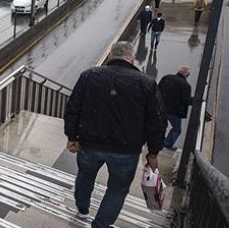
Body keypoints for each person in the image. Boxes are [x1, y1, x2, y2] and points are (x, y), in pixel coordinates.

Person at [64, 42, 166, 227]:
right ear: (132, 57)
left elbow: (73, 108)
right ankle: (101, 225)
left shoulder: (89, 76)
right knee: (117, 190)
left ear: (110, 56)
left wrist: (72, 137)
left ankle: (82, 209)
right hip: (126, 150)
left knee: (85, 176)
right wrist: (153, 152)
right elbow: (156, 121)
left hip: (89, 144)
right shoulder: (146, 83)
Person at [158, 66, 193, 150]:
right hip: (174, 112)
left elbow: (157, 90)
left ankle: (158, 141)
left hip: (161, 107)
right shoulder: (186, 85)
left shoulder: (167, 77)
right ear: (187, 74)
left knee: (161, 125)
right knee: (176, 129)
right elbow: (186, 100)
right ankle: (167, 144)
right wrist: (196, 100)